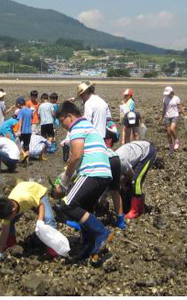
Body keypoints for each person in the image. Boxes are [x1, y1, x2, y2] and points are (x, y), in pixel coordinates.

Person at [53, 101, 114, 262]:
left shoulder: (77, 127)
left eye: (61, 121)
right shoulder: (88, 126)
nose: (62, 126)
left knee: (67, 204)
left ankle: (101, 232)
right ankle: (89, 246)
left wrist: (64, 182)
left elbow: (76, 156)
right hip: (103, 173)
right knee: (84, 209)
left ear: (69, 116)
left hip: (92, 172)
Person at [0, 181, 58, 261]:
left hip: (37, 193)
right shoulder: (7, 209)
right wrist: (0, 252)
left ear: (14, 210)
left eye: (7, 218)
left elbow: (41, 205)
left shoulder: (25, 199)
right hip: (24, 192)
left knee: (49, 220)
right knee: (9, 223)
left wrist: (40, 221)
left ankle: (53, 250)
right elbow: (5, 231)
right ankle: (11, 246)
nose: (6, 220)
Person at [115, 141, 157, 219]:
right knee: (128, 182)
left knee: (136, 180)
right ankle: (140, 208)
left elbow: (131, 174)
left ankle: (135, 210)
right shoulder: (114, 164)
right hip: (135, 154)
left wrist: (123, 182)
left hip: (147, 152)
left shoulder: (121, 160)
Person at [161, 86, 184, 153]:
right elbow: (164, 108)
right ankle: (171, 146)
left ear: (171, 92)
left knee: (172, 129)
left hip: (175, 115)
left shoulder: (176, 98)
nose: (167, 95)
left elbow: (180, 107)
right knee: (168, 133)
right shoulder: (165, 99)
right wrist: (162, 117)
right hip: (167, 116)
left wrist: (184, 114)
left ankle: (176, 141)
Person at [16, 96, 33, 162]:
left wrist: (19, 130)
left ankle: (21, 156)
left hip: (23, 131)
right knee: (27, 146)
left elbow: (20, 121)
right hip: (29, 131)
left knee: (18, 144)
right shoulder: (29, 110)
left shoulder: (21, 111)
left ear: (18, 104)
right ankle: (27, 160)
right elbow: (31, 117)